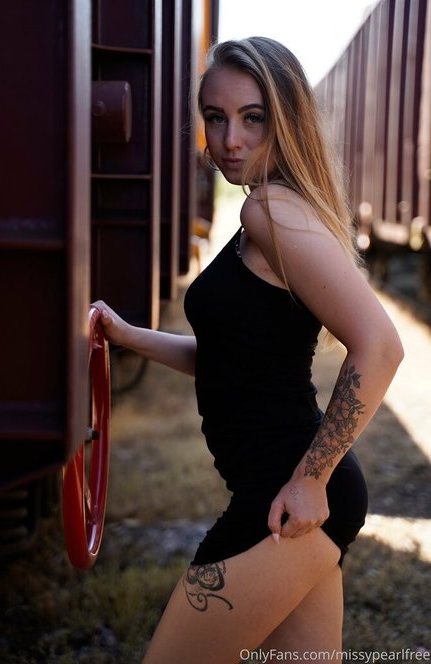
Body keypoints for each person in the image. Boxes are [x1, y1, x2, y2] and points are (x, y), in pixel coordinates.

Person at [93, 37, 403, 663]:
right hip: (293, 497)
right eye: (215, 117)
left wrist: (309, 481)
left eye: (252, 118)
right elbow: (230, 364)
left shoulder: (270, 211)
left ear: (285, 121)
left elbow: (380, 346)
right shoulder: (268, 215)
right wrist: (126, 335)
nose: (229, 139)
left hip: (285, 500)